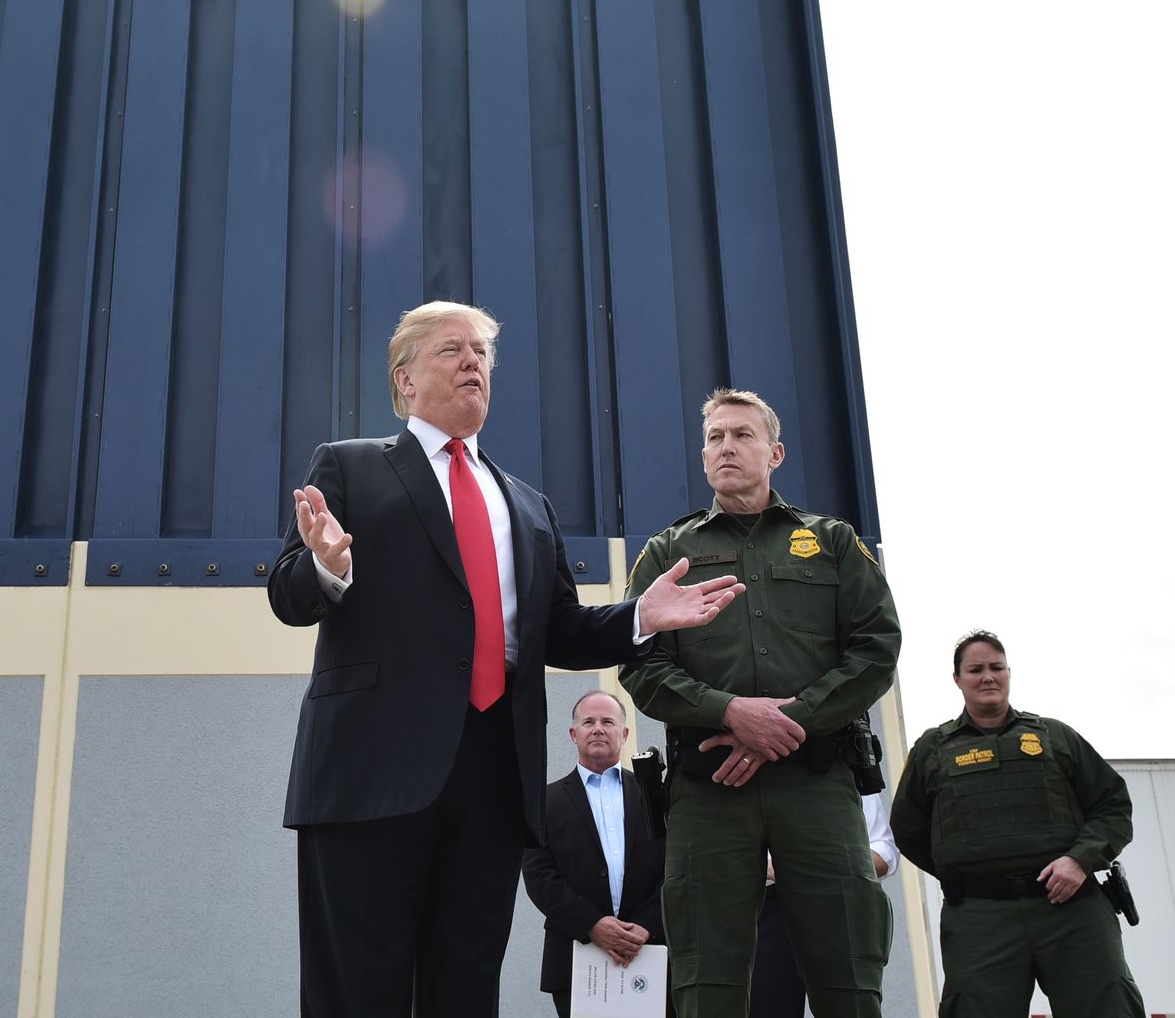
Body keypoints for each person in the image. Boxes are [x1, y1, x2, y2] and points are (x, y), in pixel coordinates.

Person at [267, 302, 745, 1017]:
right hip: (369, 772)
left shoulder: (526, 504)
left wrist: (640, 617)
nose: (473, 362)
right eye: (451, 349)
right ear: (405, 379)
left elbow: (561, 630)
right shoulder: (349, 466)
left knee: (466, 991)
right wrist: (327, 567)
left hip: (493, 778)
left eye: (483, 353)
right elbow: (287, 594)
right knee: (358, 991)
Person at [619, 386, 900, 1018]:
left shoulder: (831, 541)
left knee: (848, 973)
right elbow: (639, 664)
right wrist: (730, 711)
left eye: (742, 435)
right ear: (703, 457)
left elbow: (877, 647)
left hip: (817, 783)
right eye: (715, 437)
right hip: (711, 791)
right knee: (706, 980)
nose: (727, 447)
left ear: (774, 453)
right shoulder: (668, 552)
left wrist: (787, 721)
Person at [890, 630, 1145, 1018]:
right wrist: (964, 869)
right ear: (957, 679)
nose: (987, 677)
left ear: (1009, 672)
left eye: (996, 667)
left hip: (1071, 910)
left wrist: (1080, 859)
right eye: (975, 669)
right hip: (980, 918)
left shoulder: (1055, 736)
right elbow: (908, 829)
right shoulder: (932, 750)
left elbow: (1112, 805)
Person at [522, 689, 669, 1018]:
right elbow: (539, 876)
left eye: (608, 722)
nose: (598, 728)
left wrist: (647, 924)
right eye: (588, 722)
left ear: (624, 734)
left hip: (651, 952)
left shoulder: (657, 796)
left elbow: (677, 867)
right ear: (574, 734)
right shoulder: (545, 802)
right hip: (575, 955)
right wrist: (592, 924)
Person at [749, 792, 898, 1017]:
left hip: (834, 901)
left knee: (851, 1006)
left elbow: (883, 851)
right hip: (764, 908)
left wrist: (822, 866)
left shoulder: (844, 770)